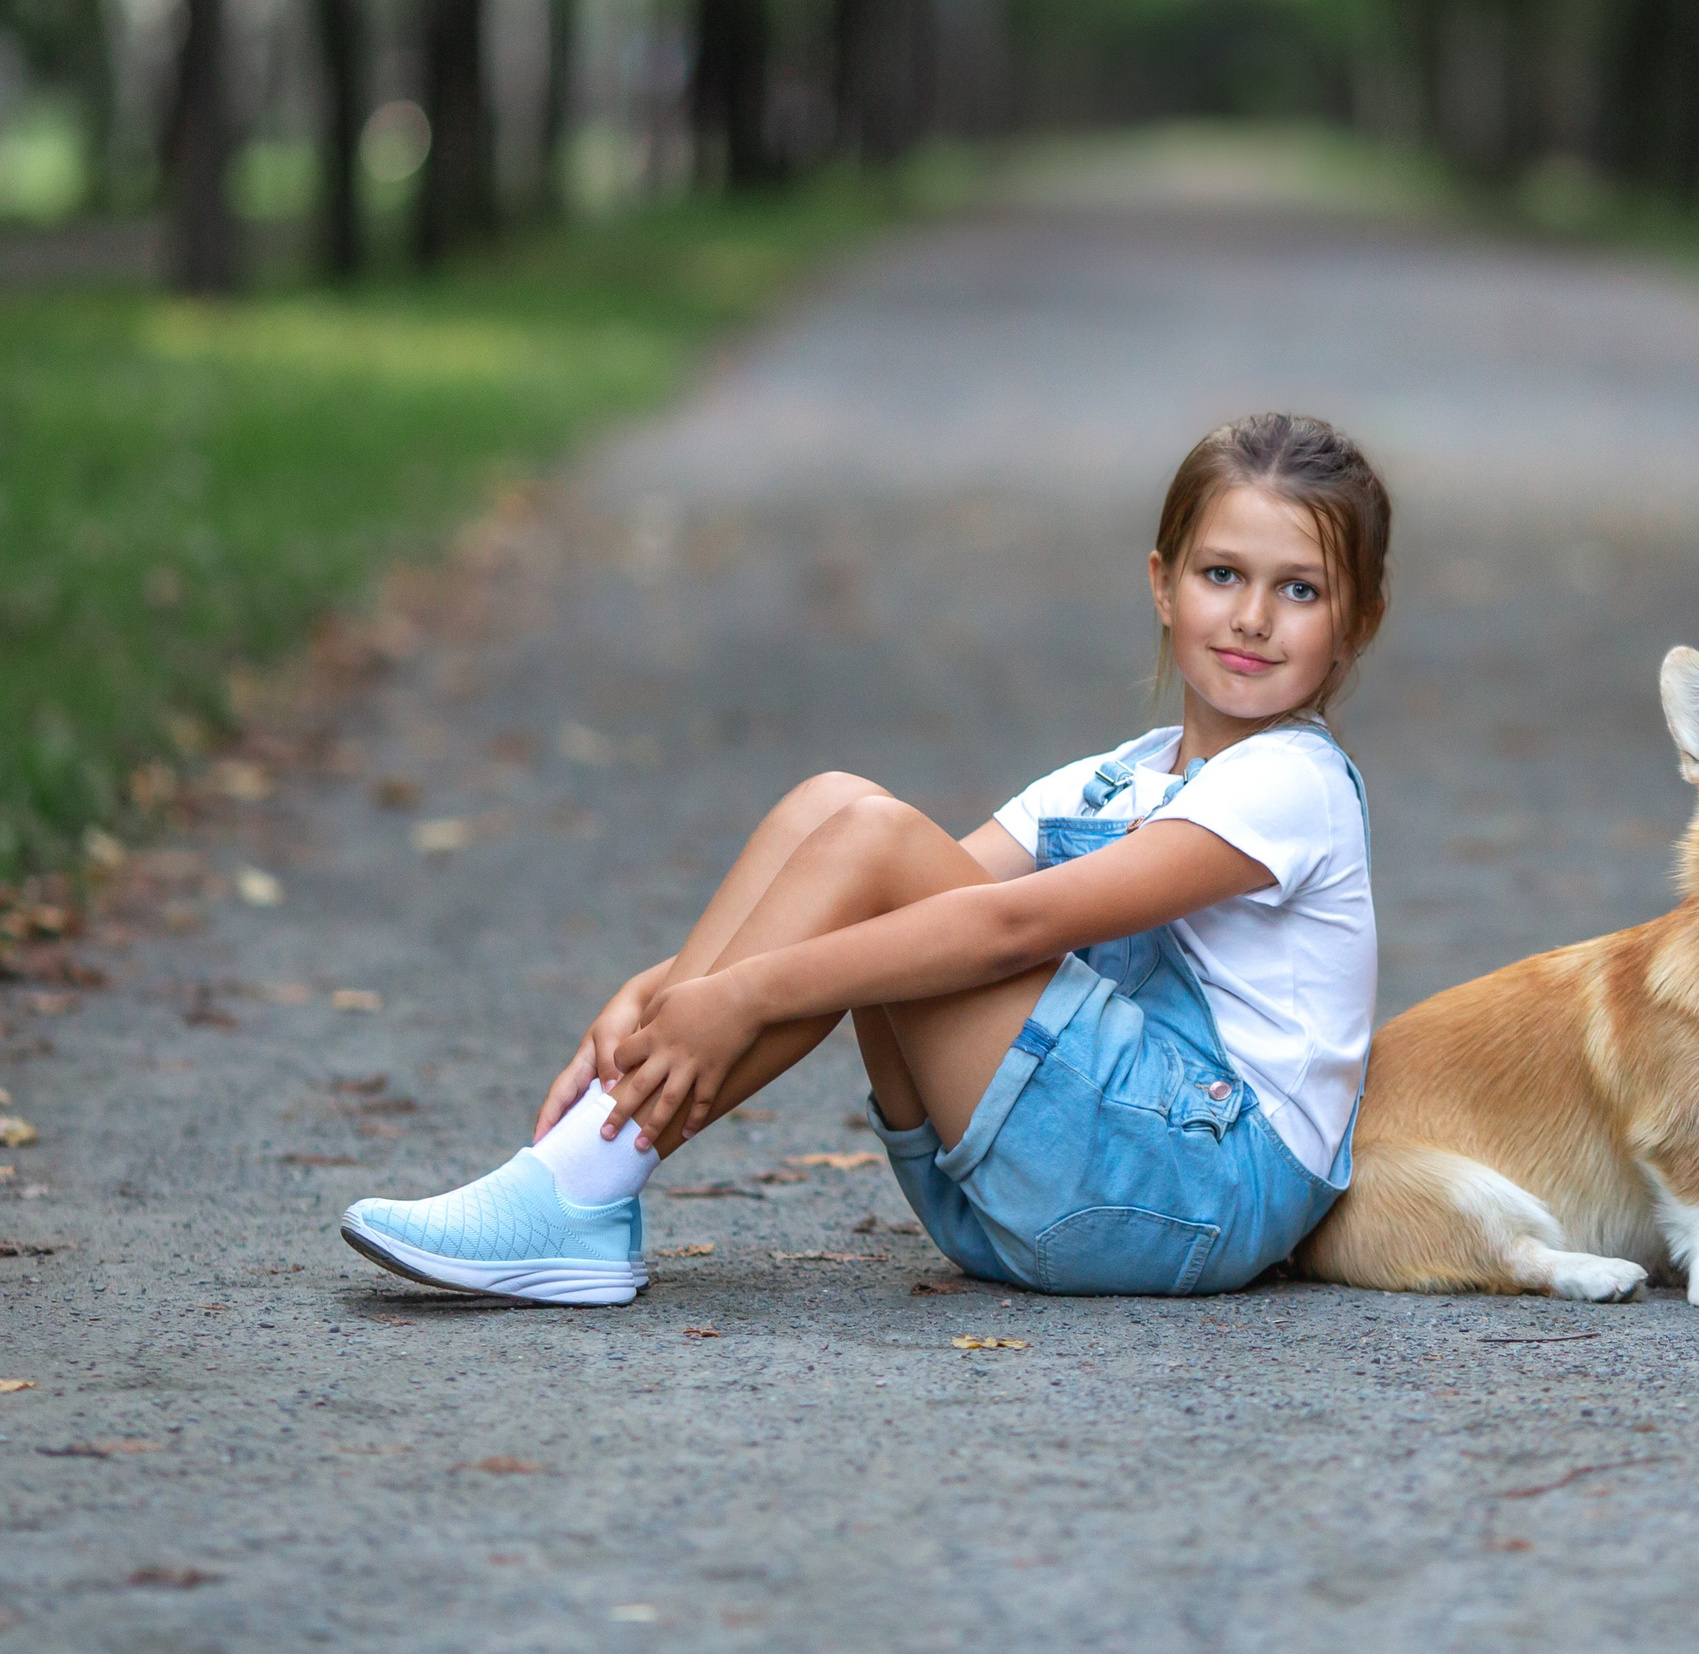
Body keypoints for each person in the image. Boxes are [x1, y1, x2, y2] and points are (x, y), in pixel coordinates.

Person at [339, 412, 1389, 1304]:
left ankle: (581, 1184)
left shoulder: (1292, 782)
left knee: (876, 840)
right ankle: (580, 1184)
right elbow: (878, 892)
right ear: (1163, 586)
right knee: (834, 807)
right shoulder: (1118, 777)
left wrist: (738, 995)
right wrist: (662, 990)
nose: (1252, 617)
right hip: (1071, 1175)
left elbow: (1008, 925)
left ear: (1356, 622)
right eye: (1221, 574)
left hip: (1196, 1191)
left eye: (1299, 590)